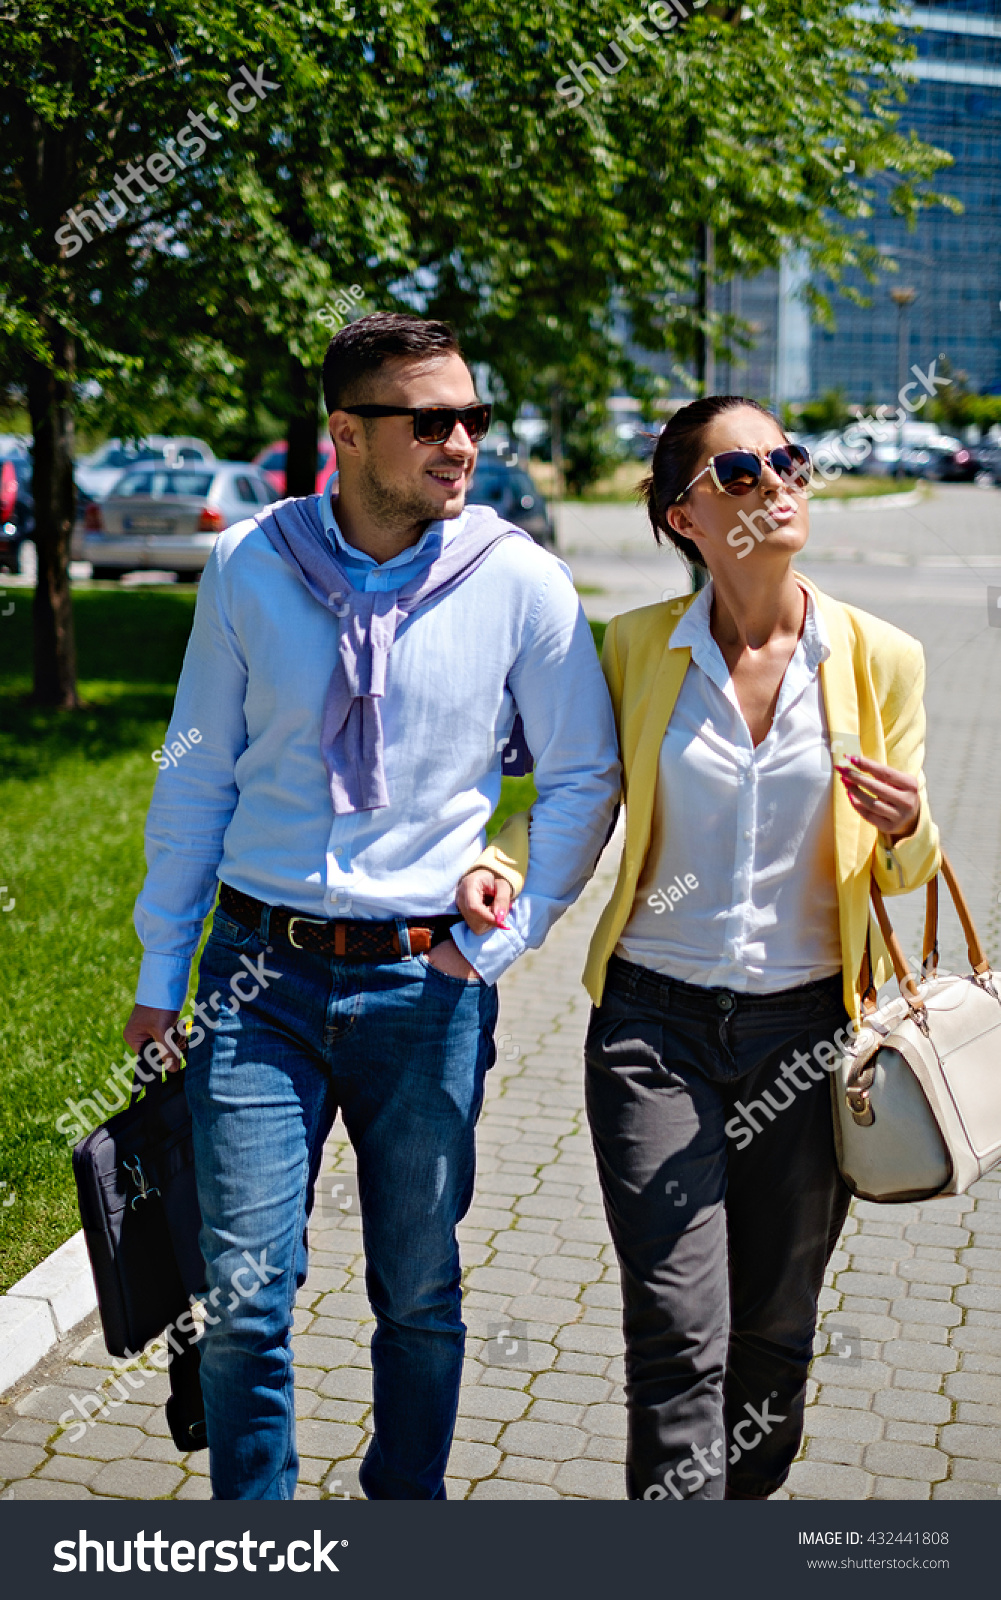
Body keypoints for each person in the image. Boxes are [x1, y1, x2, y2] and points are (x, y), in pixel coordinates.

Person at [123, 313, 619, 1500]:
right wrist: (159, 973)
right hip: (259, 978)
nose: (462, 443)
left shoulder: (513, 579)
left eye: (472, 419)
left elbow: (583, 770)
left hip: (425, 986)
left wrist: (508, 934)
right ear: (345, 434)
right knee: (244, 1294)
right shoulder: (250, 563)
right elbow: (196, 768)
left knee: (419, 1287)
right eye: (430, 421)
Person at [460, 394, 941, 1500]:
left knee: (772, 1330)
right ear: (680, 515)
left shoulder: (882, 659)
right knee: (677, 1328)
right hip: (651, 1031)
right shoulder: (634, 649)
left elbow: (907, 871)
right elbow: (581, 793)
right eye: (739, 472)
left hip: (809, 1035)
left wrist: (912, 824)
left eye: (788, 460)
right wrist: (497, 856)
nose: (775, 483)